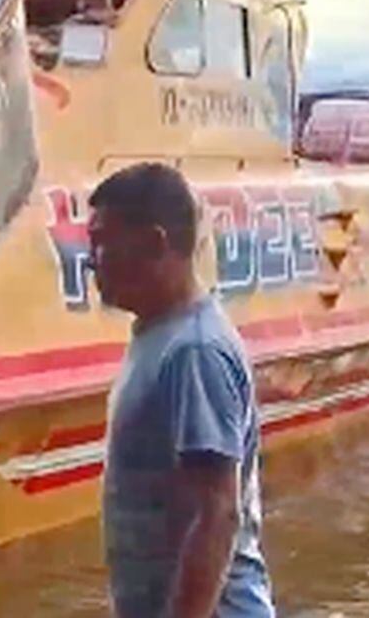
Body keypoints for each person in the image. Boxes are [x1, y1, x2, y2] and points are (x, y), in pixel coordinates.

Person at [89, 163, 275, 618]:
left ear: (155, 243)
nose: (93, 259)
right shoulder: (159, 336)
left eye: (103, 242)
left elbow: (216, 514)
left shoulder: (194, 351)